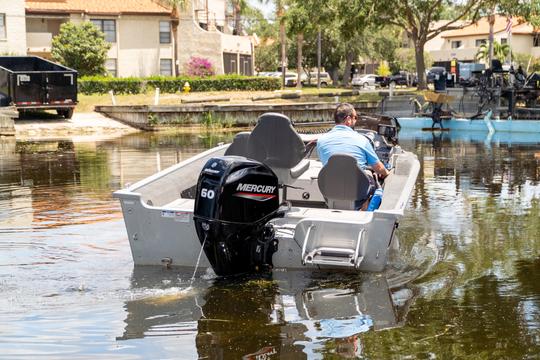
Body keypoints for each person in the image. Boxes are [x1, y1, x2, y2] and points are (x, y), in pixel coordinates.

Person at [317, 102, 390, 180]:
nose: (356, 120)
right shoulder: (362, 140)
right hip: (358, 189)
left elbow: (325, 163)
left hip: (330, 189)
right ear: (348, 119)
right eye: (355, 117)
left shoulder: (321, 141)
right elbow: (378, 167)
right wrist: (387, 173)